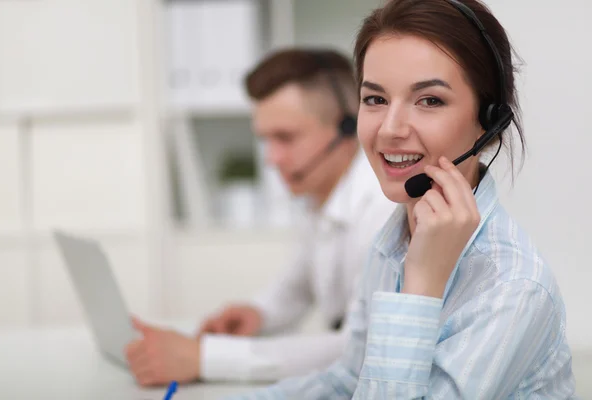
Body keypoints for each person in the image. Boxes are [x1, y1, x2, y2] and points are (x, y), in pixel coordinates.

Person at [227, 0, 577, 398]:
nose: (390, 130)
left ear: (490, 120)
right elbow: (348, 380)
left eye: (429, 100)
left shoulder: (512, 287)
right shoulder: (392, 239)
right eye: (375, 99)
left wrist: (422, 282)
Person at [124, 48, 397, 386]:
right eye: (266, 140)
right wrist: (257, 315)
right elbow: (295, 289)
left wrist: (203, 358)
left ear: (348, 128)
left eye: (285, 137)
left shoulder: (385, 208)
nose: (271, 159)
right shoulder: (320, 198)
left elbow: (358, 348)